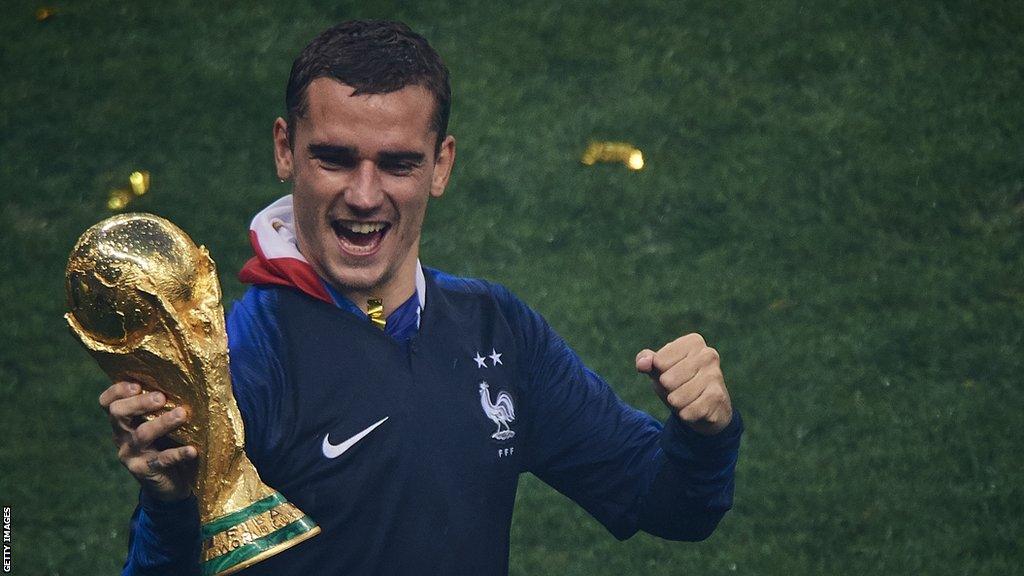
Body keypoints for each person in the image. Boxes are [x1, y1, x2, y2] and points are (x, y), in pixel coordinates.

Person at [98, 20, 743, 576]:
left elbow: (668, 504)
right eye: (335, 158)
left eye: (399, 163)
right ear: (285, 150)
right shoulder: (240, 364)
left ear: (441, 165)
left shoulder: (497, 330)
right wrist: (170, 506)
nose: (364, 193)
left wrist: (703, 432)